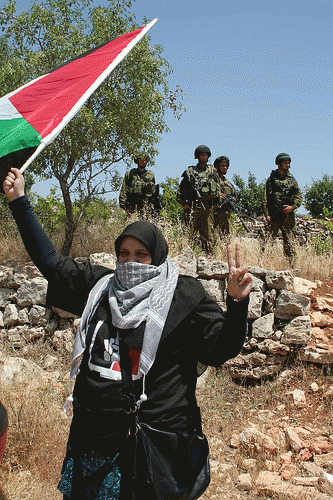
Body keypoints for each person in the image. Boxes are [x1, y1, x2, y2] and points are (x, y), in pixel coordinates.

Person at [4, 167, 252, 500]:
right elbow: (51, 262)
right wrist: (19, 199)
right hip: (92, 442)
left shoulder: (183, 297)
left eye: (141, 255)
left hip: (151, 452)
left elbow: (222, 348)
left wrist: (237, 303)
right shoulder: (102, 287)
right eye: (123, 254)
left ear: (158, 257)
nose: (130, 262)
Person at [176, 145, 221, 254]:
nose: (204, 157)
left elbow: (218, 193)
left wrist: (213, 208)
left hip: (207, 210)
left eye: (206, 155)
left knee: (208, 239)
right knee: (187, 236)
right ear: (197, 156)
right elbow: (179, 192)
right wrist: (184, 205)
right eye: (202, 155)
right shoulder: (191, 171)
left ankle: (209, 260)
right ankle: (183, 259)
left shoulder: (213, 172)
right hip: (192, 208)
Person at [263, 153, 303, 263]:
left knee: (290, 243)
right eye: (285, 162)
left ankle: (292, 267)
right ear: (279, 164)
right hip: (274, 215)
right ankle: (263, 264)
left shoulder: (292, 180)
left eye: (289, 163)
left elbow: (299, 195)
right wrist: (267, 214)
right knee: (267, 242)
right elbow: (265, 198)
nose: (288, 165)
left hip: (288, 216)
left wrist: (292, 207)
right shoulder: (271, 180)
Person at [213, 156, 237, 236]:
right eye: (222, 165)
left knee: (227, 239)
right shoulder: (213, 180)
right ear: (217, 166)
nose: (225, 168)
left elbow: (234, 194)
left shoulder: (227, 182)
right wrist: (218, 195)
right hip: (215, 215)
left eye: (226, 166)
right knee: (213, 239)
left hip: (226, 216)